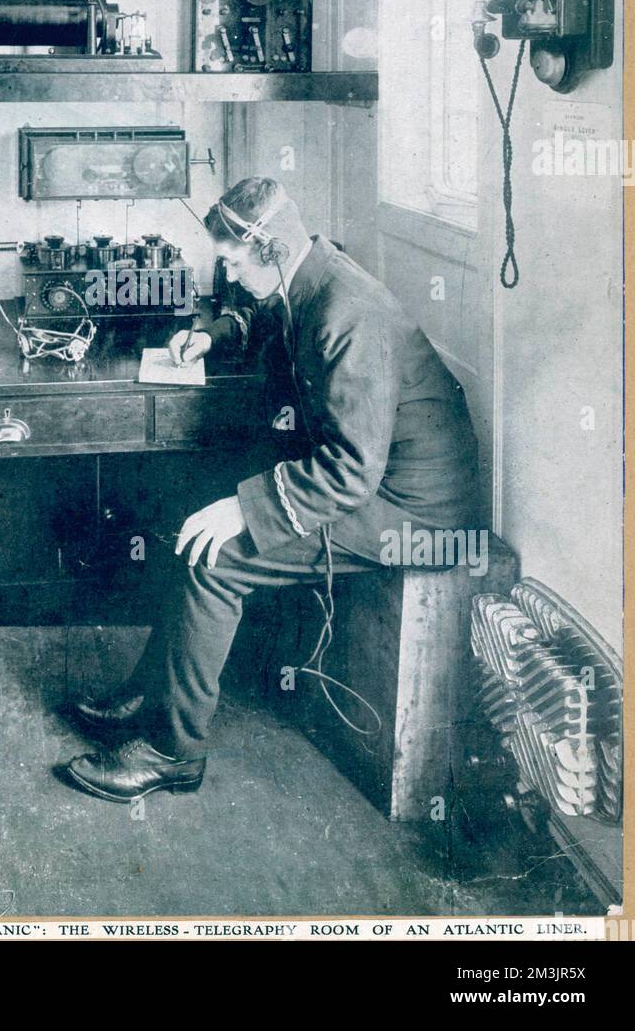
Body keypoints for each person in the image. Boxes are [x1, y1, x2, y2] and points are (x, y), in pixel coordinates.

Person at [60, 177, 481, 803]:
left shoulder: (349, 314)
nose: (225, 270)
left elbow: (352, 472)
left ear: (270, 249)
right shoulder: (313, 273)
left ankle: (173, 752)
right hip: (374, 483)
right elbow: (266, 313)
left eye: (230, 258)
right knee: (196, 520)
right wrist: (214, 335)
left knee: (217, 560)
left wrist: (245, 508)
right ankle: (154, 691)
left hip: (411, 511)